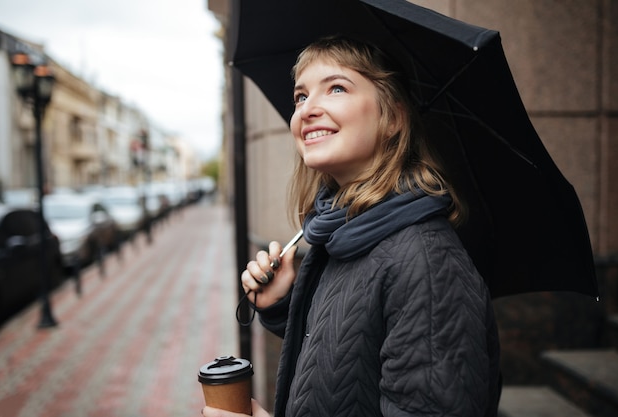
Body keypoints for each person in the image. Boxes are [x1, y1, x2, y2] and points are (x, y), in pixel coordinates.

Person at [203, 35, 500, 417]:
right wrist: (284, 305)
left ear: (393, 118)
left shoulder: (426, 262)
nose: (308, 109)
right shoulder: (340, 235)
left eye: (337, 88)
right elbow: (345, 367)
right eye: (300, 96)